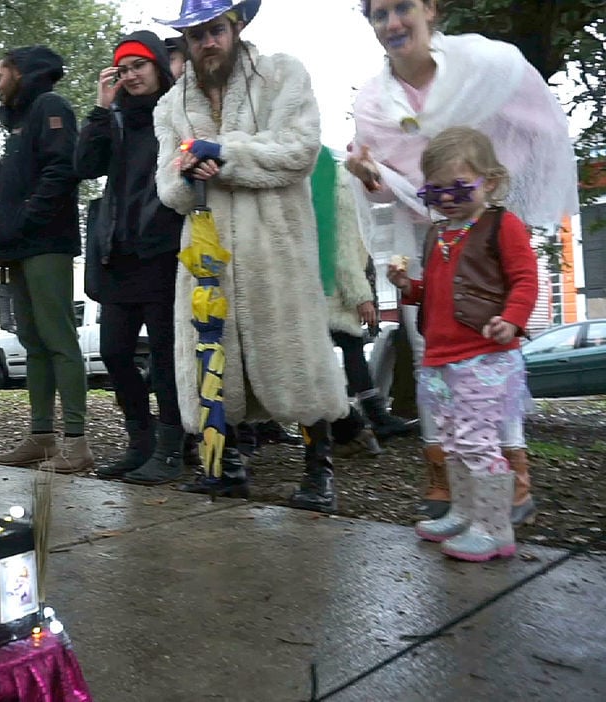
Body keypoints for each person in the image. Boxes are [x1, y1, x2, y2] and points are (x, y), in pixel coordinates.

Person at [347, 0, 578, 524]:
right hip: (426, 242)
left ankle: (513, 486)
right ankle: (447, 481)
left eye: (402, 8)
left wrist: (493, 201)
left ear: (430, 8)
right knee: (434, 363)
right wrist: (369, 176)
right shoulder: (370, 103)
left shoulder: (487, 67)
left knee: (493, 367)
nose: (392, 24)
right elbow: (389, 192)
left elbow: (536, 128)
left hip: (489, 236)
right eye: (378, 14)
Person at [154, 0, 348, 510]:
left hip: (276, 247)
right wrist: (184, 174)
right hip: (206, 249)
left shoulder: (284, 73)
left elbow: (300, 149)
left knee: (298, 357)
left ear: (236, 26)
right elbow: (165, 183)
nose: (207, 43)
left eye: (215, 30)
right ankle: (225, 467)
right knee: (212, 355)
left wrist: (225, 153)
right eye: (196, 36)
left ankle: (318, 472)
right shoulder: (171, 106)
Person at [388, 126, 537, 561]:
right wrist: (409, 287)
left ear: (488, 181)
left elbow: (526, 279)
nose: (448, 199)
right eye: (436, 192)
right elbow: (437, 291)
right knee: (453, 441)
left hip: (484, 356)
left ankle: (495, 529)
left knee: (477, 443)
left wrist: (512, 320)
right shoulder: (439, 234)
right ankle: (464, 511)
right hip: (442, 358)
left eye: (458, 188)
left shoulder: (500, 225)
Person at [75, 32, 185, 485]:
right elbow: (84, 166)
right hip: (118, 255)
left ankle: (172, 449)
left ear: (159, 66)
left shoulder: (178, 112)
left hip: (162, 250)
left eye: (139, 65)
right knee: (115, 354)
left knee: (165, 359)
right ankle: (138, 443)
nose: (131, 75)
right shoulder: (115, 118)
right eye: (123, 69)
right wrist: (101, 108)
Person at [0, 46, 93, 473]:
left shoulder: (51, 107)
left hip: (47, 242)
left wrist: (24, 219)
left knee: (58, 338)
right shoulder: (21, 121)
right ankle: (41, 437)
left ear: (21, 73)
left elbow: (61, 171)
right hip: (18, 246)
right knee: (32, 342)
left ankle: (78, 444)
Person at [310, 146, 414, 456]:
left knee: (341, 354)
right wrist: (361, 296)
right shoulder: (339, 183)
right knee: (342, 354)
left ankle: (361, 420)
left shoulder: (329, 179)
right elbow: (340, 246)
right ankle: (361, 420)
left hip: (327, 288)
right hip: (334, 291)